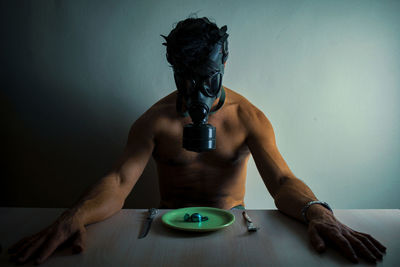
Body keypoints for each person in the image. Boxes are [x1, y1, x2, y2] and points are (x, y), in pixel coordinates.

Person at [8, 16, 386, 265]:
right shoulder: (156, 120)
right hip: (165, 233)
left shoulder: (246, 118)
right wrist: (76, 215)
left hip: (235, 231)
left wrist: (319, 213)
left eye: (207, 76)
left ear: (224, 62)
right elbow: (119, 182)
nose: (196, 91)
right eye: (185, 77)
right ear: (174, 70)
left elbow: (283, 182)